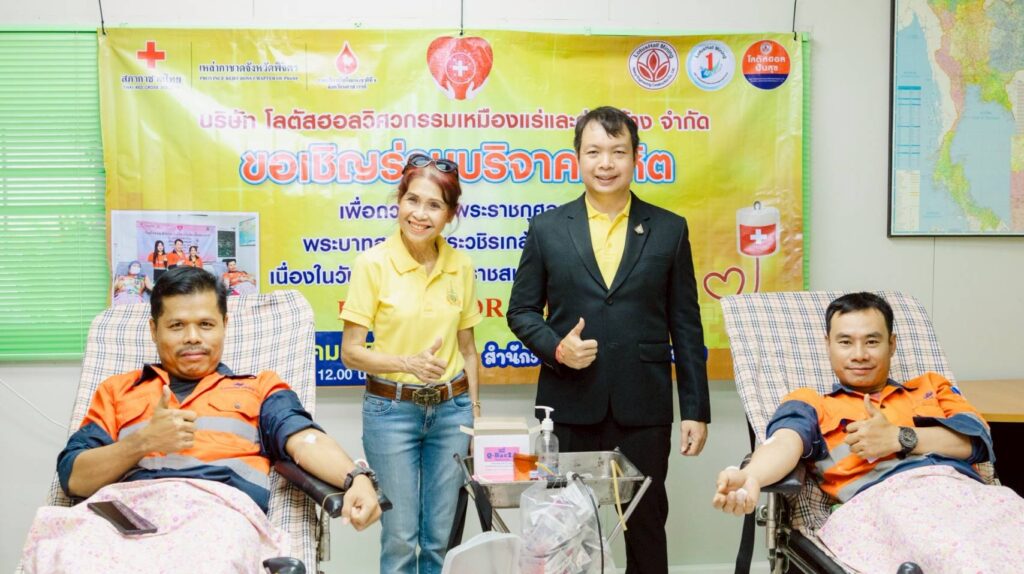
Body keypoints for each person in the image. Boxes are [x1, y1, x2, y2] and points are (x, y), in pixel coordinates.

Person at [21, 267, 382, 573]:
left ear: (224, 324)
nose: (193, 337)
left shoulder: (258, 388)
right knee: (67, 555)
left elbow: (304, 439)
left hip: (216, 515)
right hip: (122, 519)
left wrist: (356, 479)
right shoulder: (119, 390)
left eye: (206, 324)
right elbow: (74, 479)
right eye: (177, 325)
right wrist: (143, 443)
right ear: (154, 330)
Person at [507, 106, 710, 574]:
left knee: (645, 522)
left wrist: (695, 409)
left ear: (637, 157)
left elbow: (686, 323)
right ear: (576, 158)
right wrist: (557, 348)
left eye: (618, 152)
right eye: (594, 151)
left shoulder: (669, 228)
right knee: (561, 528)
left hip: (643, 406)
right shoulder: (548, 228)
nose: (606, 163)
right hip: (568, 404)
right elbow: (520, 311)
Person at [712, 292, 1024, 573]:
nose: (859, 354)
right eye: (845, 342)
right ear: (828, 345)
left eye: (872, 342)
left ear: (892, 344)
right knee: (957, 556)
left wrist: (898, 438)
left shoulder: (931, 386)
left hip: (969, 497)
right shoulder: (812, 403)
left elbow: (976, 443)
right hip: (884, 505)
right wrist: (752, 476)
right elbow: (783, 444)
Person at [340, 152, 481, 574]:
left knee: (441, 540)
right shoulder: (372, 263)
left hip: (452, 412)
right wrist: (406, 362)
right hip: (391, 411)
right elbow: (351, 352)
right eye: (412, 200)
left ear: (450, 214)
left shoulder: (461, 265)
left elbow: (468, 350)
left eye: (434, 205)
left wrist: (475, 416)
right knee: (400, 538)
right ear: (398, 202)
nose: (420, 214)